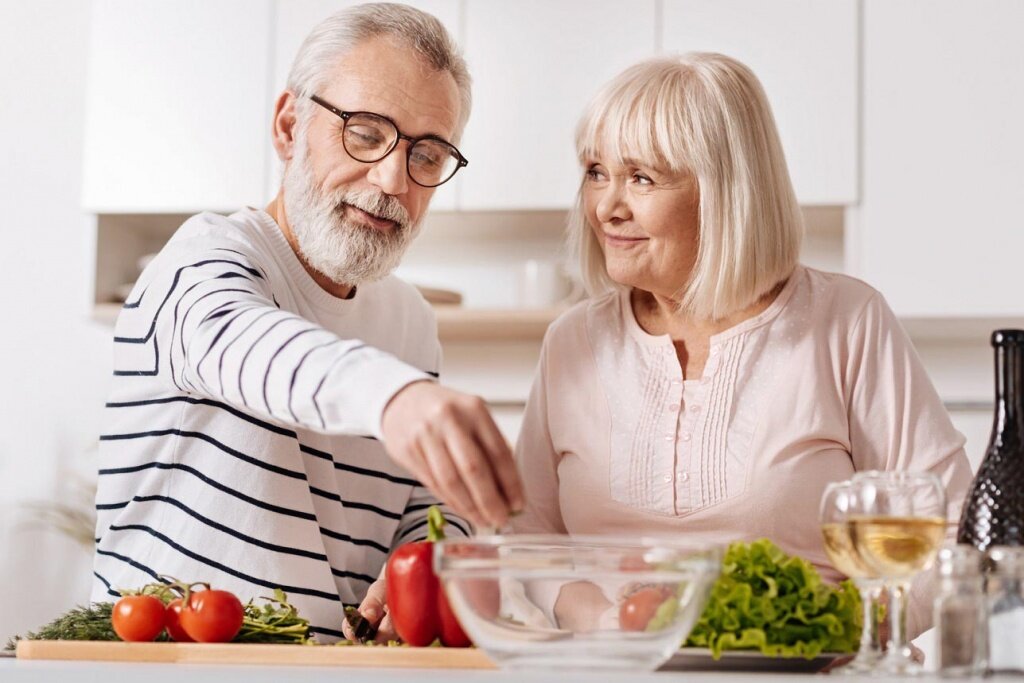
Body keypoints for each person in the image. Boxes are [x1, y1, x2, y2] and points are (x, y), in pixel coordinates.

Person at [92, 3, 522, 642]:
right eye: (366, 133)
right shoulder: (204, 258)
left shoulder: (410, 322)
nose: (391, 178)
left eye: (427, 155)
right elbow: (243, 345)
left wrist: (434, 553)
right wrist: (395, 398)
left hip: (329, 664)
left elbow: (422, 507)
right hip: (170, 662)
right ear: (290, 126)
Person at [511, 52, 971, 638]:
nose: (607, 207)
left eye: (642, 178)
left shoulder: (846, 322)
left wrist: (840, 637)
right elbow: (527, 534)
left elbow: (952, 527)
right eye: (597, 172)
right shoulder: (571, 340)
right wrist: (598, 618)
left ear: (726, 192)